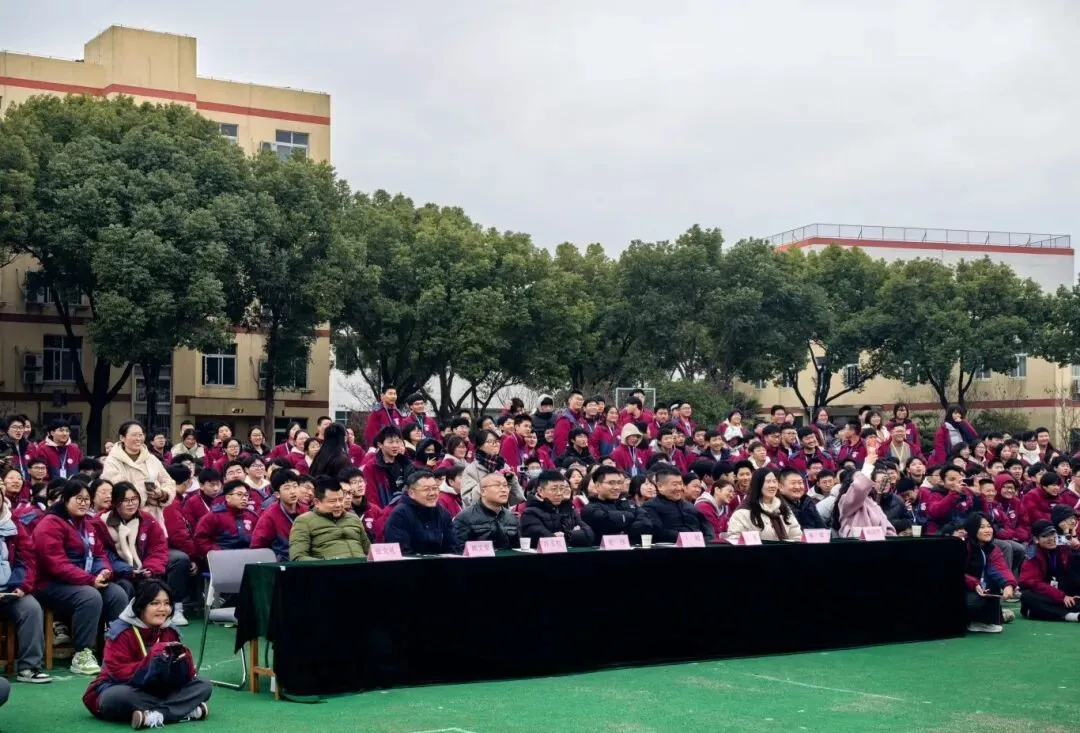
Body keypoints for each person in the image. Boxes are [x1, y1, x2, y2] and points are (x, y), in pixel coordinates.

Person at [82, 580, 211, 728]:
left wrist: (183, 663)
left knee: (204, 685)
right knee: (116, 697)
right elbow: (117, 672)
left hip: (159, 689)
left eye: (167, 603)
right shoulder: (121, 632)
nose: (162, 609)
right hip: (123, 686)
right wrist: (152, 661)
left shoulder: (170, 630)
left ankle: (156, 716)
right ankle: (185, 709)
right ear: (141, 606)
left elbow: (181, 676)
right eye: (155, 603)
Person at [33, 480, 129, 676]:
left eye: (87, 499)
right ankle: (82, 653)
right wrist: (89, 580)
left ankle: (116, 649)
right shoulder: (50, 524)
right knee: (89, 597)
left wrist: (103, 571)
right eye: (79, 499)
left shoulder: (87, 524)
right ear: (66, 500)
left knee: (117, 593)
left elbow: (99, 554)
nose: (84, 503)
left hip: (83, 580)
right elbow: (56, 564)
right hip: (50, 584)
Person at [96, 482, 190, 626]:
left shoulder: (147, 519)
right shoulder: (100, 522)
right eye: (125, 500)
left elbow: (158, 547)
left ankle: (174, 609)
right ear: (115, 502)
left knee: (178, 560)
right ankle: (123, 626)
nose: (131, 504)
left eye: (134, 499)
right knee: (125, 586)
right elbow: (104, 554)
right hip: (119, 572)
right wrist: (128, 570)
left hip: (143, 566)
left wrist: (150, 568)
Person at [0, 494, 50, 683]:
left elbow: (28, 558)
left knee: (31, 608)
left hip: (10, 590)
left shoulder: (13, 523)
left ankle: (29, 667)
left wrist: (22, 586)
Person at [100, 422, 176, 530]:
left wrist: (162, 494)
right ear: (122, 437)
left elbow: (168, 481)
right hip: (126, 520)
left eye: (141, 435)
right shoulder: (112, 461)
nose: (138, 439)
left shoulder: (151, 459)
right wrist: (146, 498)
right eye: (134, 435)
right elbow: (117, 488)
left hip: (154, 519)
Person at [288, 476, 370, 561]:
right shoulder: (304, 522)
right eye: (332, 501)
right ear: (317, 502)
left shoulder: (354, 518)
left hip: (361, 566)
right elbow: (298, 557)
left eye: (341, 500)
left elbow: (369, 552)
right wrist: (326, 564)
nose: (338, 505)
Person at [961, 513, 1017, 633]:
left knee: (994, 583)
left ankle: (986, 621)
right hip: (961, 588)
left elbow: (1000, 568)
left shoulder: (992, 548)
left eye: (989, 526)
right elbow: (955, 572)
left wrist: (1008, 585)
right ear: (972, 529)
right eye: (982, 527)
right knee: (974, 602)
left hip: (979, 588)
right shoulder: (963, 546)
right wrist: (973, 583)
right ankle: (968, 621)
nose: (987, 530)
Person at [382, 471, 458, 555]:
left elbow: (452, 548)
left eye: (435, 488)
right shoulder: (400, 514)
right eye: (426, 489)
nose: (432, 493)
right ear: (411, 493)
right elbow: (401, 552)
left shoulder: (443, 513)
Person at [1019, 519, 1080, 621]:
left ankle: (1038, 613)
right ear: (1036, 539)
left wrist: (1076, 546)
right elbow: (1031, 582)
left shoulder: (1062, 541)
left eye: (1053, 534)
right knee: (1027, 596)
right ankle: (1071, 615)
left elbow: (1072, 543)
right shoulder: (1032, 553)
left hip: (1064, 590)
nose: (1051, 538)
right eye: (1045, 536)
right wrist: (1062, 597)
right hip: (1048, 593)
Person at [641, 464, 716, 543]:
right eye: (675, 484)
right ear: (660, 486)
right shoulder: (650, 507)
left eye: (680, 484)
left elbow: (706, 526)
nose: (679, 488)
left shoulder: (689, 506)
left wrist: (706, 539)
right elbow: (658, 532)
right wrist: (688, 538)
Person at [519, 471, 595, 547]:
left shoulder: (569, 510)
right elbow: (548, 540)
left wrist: (566, 535)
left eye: (562, 489)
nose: (559, 493)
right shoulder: (530, 513)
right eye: (554, 489)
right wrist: (574, 535)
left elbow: (589, 535)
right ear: (540, 491)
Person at [728, 467, 803, 541]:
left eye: (774, 481)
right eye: (768, 481)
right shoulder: (742, 512)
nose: (772, 485)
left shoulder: (783, 508)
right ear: (758, 484)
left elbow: (796, 536)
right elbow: (735, 540)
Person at [452, 472, 520, 550]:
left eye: (505, 485)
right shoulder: (465, 517)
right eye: (497, 485)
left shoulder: (511, 517)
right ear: (483, 491)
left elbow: (517, 548)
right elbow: (458, 550)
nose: (504, 490)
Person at [192, 482, 258, 558]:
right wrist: (216, 553)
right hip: (222, 557)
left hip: (249, 556)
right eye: (239, 494)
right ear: (227, 498)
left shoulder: (252, 516)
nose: (244, 498)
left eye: (246, 495)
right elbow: (200, 538)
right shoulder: (213, 516)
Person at [462, 429, 524, 508]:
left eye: (497, 441)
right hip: (480, 514)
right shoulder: (471, 469)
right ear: (479, 446)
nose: (496, 444)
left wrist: (512, 480)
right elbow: (468, 499)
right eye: (490, 441)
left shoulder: (504, 466)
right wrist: (491, 480)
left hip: (501, 513)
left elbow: (516, 499)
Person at [362, 426, 415, 511]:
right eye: (390, 442)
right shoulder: (371, 467)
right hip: (383, 513)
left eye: (397, 441)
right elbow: (371, 498)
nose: (395, 445)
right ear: (380, 445)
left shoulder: (406, 464)